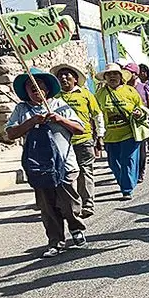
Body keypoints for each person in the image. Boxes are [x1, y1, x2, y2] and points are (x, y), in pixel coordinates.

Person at [5, 68, 87, 257]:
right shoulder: (21, 109)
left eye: (39, 87)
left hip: (65, 164)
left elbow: (80, 128)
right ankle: (56, 241)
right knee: (47, 207)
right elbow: (10, 133)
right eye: (31, 88)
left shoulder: (60, 105)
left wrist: (59, 119)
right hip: (39, 166)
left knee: (68, 202)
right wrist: (31, 122)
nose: (35, 91)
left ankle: (76, 228)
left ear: (47, 90)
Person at [52, 63, 104, 219]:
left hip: (83, 139)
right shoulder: (54, 97)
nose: (63, 78)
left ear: (75, 79)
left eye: (67, 75)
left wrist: (100, 136)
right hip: (61, 142)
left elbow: (97, 115)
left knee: (85, 171)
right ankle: (68, 204)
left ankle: (87, 204)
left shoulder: (85, 94)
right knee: (64, 174)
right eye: (60, 75)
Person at [95, 63, 146, 200]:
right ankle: (126, 182)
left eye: (115, 74)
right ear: (105, 77)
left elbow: (141, 108)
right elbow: (96, 114)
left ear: (121, 76)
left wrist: (138, 113)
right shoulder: (100, 94)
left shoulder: (130, 91)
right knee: (114, 164)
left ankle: (126, 189)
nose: (112, 76)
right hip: (110, 136)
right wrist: (98, 135)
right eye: (109, 74)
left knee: (128, 160)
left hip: (129, 133)